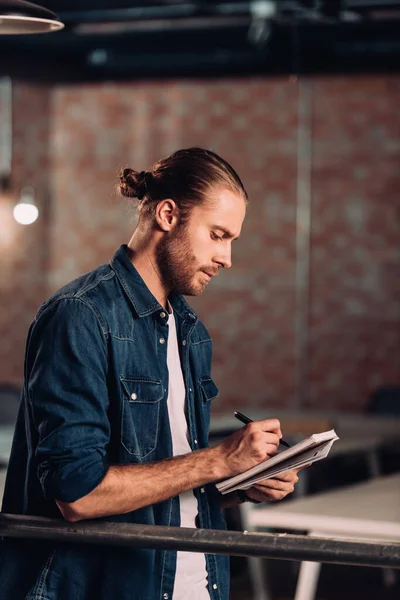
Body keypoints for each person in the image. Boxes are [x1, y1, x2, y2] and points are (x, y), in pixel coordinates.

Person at [0, 148, 300, 600]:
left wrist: (239, 485)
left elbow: (165, 487)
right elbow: (79, 495)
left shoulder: (191, 332)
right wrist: (219, 460)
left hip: (197, 584)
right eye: (218, 235)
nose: (227, 257)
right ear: (166, 214)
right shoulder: (80, 315)